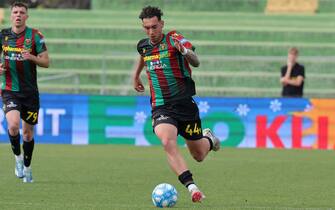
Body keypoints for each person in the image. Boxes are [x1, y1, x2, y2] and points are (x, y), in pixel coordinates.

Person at [133, 6, 220, 202]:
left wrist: (186, 53)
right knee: (167, 141)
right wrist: (136, 75)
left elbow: (196, 62)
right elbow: (143, 55)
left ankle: (209, 139)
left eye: (154, 27)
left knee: (198, 155)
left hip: (185, 105)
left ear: (161, 24)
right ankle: (192, 187)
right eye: (146, 28)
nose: (151, 32)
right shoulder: (143, 45)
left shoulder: (174, 39)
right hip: (161, 106)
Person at [0, 2, 49, 183]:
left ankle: (28, 168)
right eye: (15, 12)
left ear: (26, 16)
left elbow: (46, 62)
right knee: (13, 125)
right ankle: (17, 158)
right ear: (11, 15)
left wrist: (32, 57)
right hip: (9, 90)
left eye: (22, 12)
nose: (18, 15)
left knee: (28, 133)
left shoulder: (36, 36)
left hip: (29, 93)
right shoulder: (2, 35)